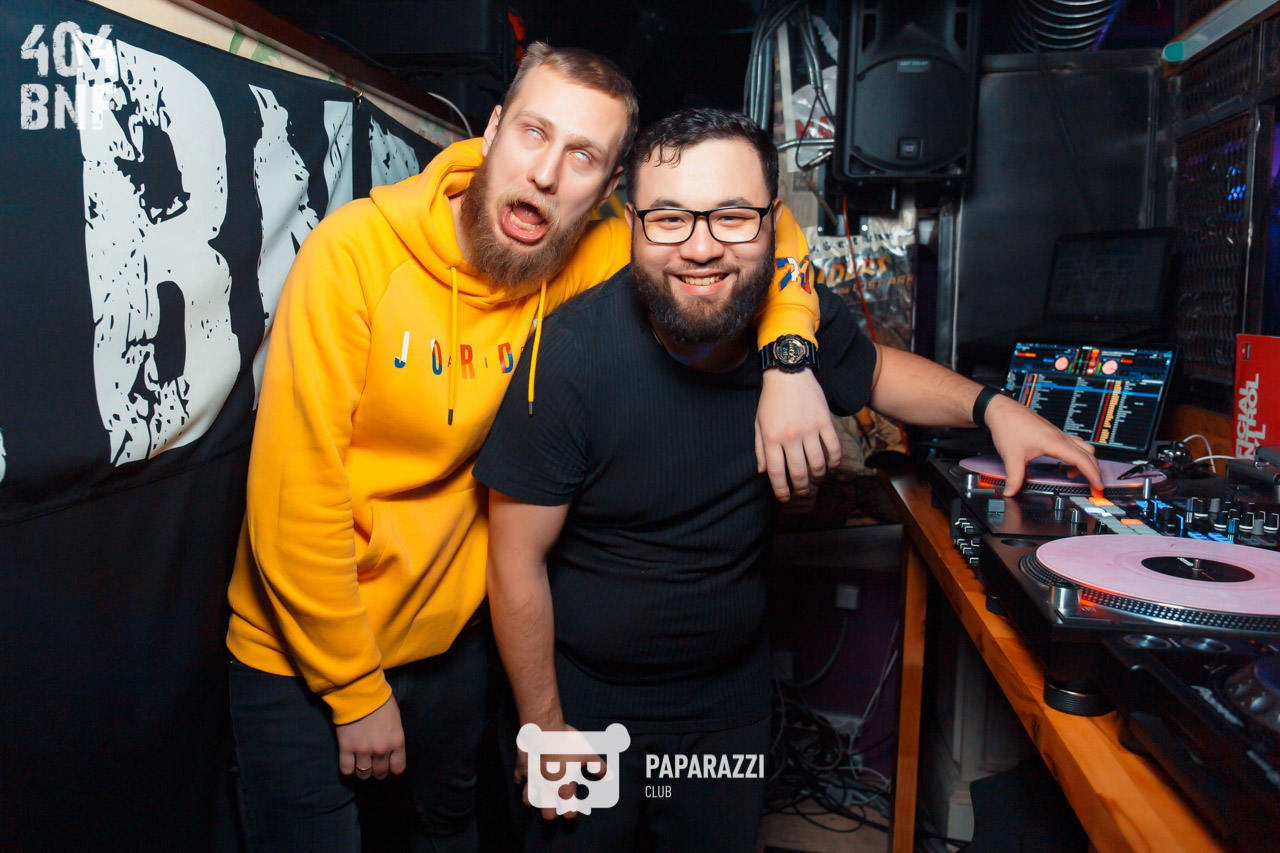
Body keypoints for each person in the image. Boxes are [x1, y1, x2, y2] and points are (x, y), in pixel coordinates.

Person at [224, 44, 839, 852]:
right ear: (491, 132)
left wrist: (788, 356)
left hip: (449, 646)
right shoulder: (355, 256)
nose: (546, 174)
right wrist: (353, 686)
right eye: (533, 133)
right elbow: (292, 498)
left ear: (609, 191)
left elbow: (764, 224)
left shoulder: (597, 252)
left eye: (582, 155)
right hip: (307, 652)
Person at [475, 107, 1103, 852]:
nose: (701, 248)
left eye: (733, 217)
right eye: (670, 218)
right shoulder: (570, 355)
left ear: (774, 224)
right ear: (632, 223)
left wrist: (995, 409)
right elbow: (515, 562)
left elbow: (878, 372)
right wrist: (543, 725)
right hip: (582, 704)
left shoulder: (788, 327)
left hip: (726, 705)